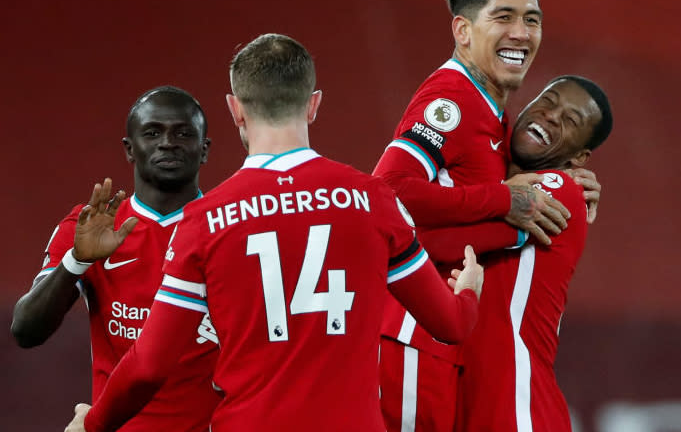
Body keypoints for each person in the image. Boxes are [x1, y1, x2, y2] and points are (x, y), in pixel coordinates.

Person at [63, 33, 484, 432]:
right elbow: (449, 325)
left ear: (235, 109)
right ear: (313, 104)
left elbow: (149, 365)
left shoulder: (205, 221)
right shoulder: (373, 200)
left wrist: (95, 423)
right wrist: (468, 291)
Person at [374, 0, 601, 432]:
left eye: (531, 19)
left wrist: (565, 185)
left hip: (441, 350)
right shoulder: (450, 101)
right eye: (503, 17)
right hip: (413, 340)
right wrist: (505, 200)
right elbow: (387, 192)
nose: (521, 32)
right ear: (462, 31)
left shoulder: (492, 115)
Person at [11, 86, 220, 432]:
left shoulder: (229, 227)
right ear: (129, 149)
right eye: (153, 132)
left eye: (183, 133)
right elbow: (25, 330)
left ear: (205, 149)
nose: (168, 142)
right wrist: (77, 260)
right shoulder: (90, 225)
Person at [417, 75, 613, 432]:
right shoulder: (487, 179)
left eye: (570, 121)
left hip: (517, 407)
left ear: (579, 157)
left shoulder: (558, 190)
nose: (552, 116)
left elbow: (432, 246)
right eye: (548, 101)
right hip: (463, 402)